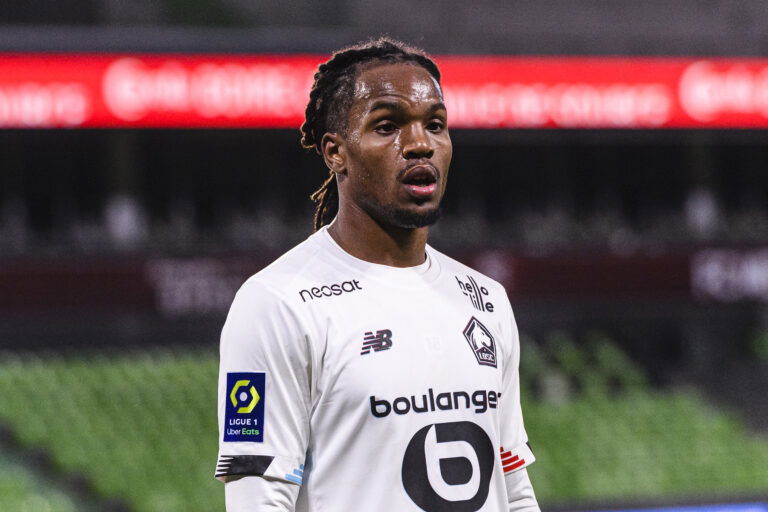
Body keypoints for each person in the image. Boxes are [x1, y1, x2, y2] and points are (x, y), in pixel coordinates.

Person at [215, 37, 540, 512]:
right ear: (335, 153)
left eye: (435, 125)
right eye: (387, 126)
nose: (419, 144)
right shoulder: (274, 303)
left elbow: (513, 488)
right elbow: (259, 502)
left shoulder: (485, 299)